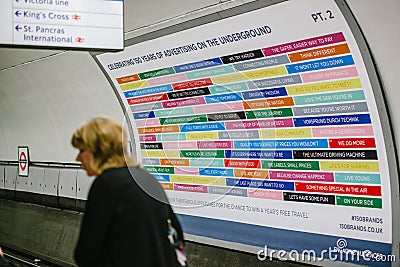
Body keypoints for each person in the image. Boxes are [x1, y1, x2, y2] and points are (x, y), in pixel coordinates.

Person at [71, 117, 186, 267]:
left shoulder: (107, 183)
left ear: (100, 149)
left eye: (82, 150)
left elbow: (86, 254)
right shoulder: (147, 178)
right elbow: (177, 236)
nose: (77, 158)